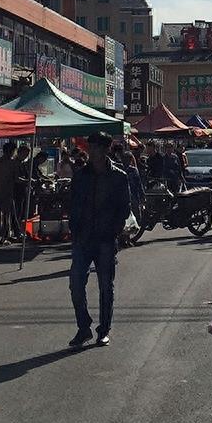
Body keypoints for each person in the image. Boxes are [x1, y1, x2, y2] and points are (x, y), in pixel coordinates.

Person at [67, 132, 131, 348]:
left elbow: (125, 207)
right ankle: (83, 327)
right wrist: (74, 228)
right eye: (90, 147)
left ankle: (104, 330)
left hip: (105, 239)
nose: (91, 152)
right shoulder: (81, 175)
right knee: (76, 284)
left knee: (105, 286)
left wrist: (115, 229)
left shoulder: (119, 177)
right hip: (83, 239)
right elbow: (72, 203)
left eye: (95, 148)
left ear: (106, 149)